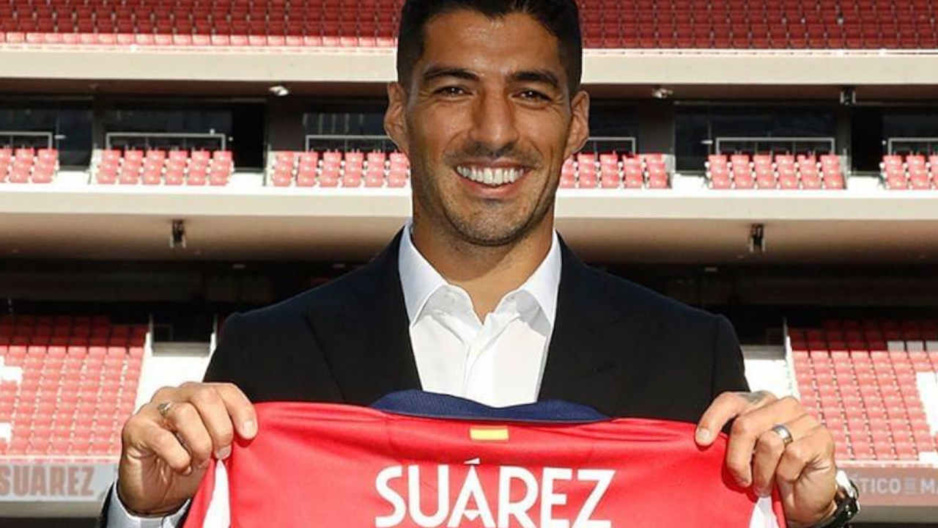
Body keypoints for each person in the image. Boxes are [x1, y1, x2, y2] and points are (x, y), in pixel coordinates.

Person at [103, 1, 846, 527]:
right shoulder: (264, 357)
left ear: (577, 122)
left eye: (531, 93)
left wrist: (815, 515)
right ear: (398, 113)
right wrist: (148, 510)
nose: (494, 131)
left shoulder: (690, 359)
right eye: (455, 89)